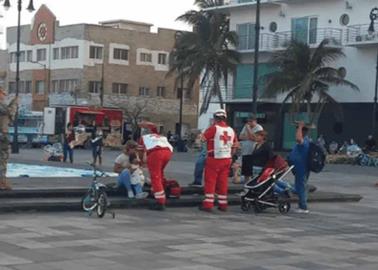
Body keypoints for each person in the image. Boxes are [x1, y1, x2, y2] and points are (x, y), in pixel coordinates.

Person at [200, 109, 238, 212]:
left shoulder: (214, 128)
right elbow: (235, 145)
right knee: (223, 181)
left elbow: (202, 139)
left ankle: (208, 204)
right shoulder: (231, 130)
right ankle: (223, 204)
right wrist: (230, 155)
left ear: (215, 118)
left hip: (214, 158)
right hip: (226, 158)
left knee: (210, 181)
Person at [138, 121, 173, 211]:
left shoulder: (144, 138)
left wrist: (141, 162)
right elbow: (153, 128)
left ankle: (160, 201)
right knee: (160, 173)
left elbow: (140, 151)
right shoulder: (160, 137)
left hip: (156, 153)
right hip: (168, 152)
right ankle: (157, 191)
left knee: (155, 177)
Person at [288, 121, 310, 214]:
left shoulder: (304, 140)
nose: (296, 133)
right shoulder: (305, 140)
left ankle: (303, 207)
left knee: (301, 186)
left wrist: (300, 127)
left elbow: (298, 139)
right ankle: (301, 204)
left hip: (301, 167)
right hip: (298, 167)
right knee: (299, 186)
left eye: (298, 131)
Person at [0, 87, 18, 190]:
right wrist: (14, 103)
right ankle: (2, 182)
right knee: (3, 158)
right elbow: (9, 112)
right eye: (2, 94)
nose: (4, 96)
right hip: (2, 134)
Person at [239, 116, 263, 181]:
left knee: (251, 170)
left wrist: (249, 130)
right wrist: (249, 137)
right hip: (245, 151)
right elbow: (240, 136)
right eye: (248, 121)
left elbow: (254, 138)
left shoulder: (258, 128)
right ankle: (246, 183)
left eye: (251, 121)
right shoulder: (246, 127)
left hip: (253, 151)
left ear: (255, 121)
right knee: (246, 171)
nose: (249, 123)